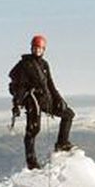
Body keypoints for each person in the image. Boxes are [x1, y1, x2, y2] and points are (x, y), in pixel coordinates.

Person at [8, 34, 75, 169]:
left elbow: (50, 84)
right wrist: (17, 104)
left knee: (68, 114)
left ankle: (62, 143)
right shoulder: (25, 65)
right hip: (33, 101)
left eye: (40, 48)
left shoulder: (44, 64)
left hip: (46, 99)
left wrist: (59, 99)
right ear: (31, 48)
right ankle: (31, 162)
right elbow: (20, 86)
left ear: (44, 49)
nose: (37, 50)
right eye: (35, 48)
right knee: (33, 129)